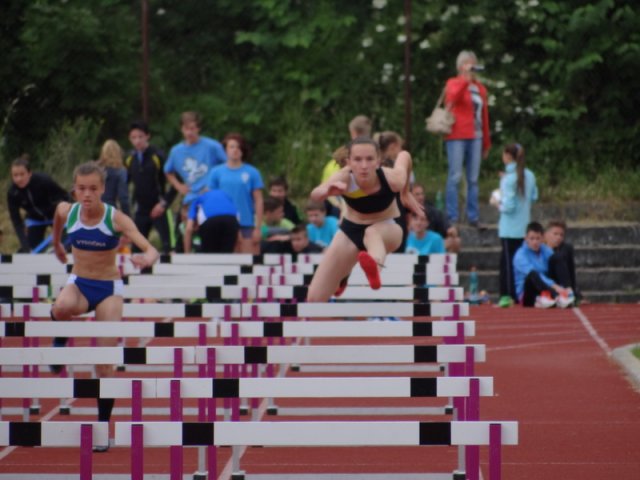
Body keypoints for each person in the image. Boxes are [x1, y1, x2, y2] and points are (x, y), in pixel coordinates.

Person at [50, 161, 159, 451]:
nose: (87, 195)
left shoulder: (115, 218)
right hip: (80, 284)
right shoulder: (67, 210)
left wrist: (147, 258)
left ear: (103, 190)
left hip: (108, 290)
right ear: (75, 190)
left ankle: (102, 427)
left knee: (104, 363)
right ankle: (59, 345)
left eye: (93, 189)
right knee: (61, 306)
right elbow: (58, 220)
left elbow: (150, 248)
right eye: (82, 189)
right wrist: (57, 244)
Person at [306, 137, 423, 302]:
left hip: (388, 228)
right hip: (351, 231)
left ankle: (374, 268)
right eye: (358, 160)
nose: (364, 166)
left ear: (378, 161)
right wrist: (327, 190)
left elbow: (404, 155)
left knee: (372, 232)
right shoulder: (343, 178)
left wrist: (404, 192)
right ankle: (343, 275)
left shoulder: (393, 179)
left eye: (369, 159)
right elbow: (315, 194)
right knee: (314, 299)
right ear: (349, 162)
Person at [444, 50, 491, 228]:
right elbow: (453, 98)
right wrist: (464, 79)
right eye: (468, 64)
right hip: (456, 135)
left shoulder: (480, 88)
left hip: (476, 137)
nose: (472, 69)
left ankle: (473, 216)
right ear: (461, 66)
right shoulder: (453, 83)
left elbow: (484, 115)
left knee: (473, 179)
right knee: (455, 176)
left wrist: (486, 142)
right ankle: (452, 216)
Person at [492, 143, 538, 308]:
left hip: (509, 229)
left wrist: (497, 203)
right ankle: (519, 294)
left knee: (507, 263)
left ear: (507, 156)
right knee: (520, 261)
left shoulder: (509, 179)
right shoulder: (530, 175)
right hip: (524, 226)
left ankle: (507, 295)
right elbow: (534, 196)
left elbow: (509, 207)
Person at [125, 120, 177, 254]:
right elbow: (125, 182)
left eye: (140, 137)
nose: (137, 141)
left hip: (159, 208)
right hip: (141, 209)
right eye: (133, 138)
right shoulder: (130, 158)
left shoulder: (158, 156)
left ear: (147, 136)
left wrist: (164, 203)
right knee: (136, 248)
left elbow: (176, 182)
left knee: (168, 246)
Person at [207, 133, 264, 253]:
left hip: (246, 221)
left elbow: (258, 200)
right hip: (224, 223)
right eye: (231, 147)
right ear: (226, 150)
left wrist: (258, 227)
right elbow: (211, 198)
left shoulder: (252, 172)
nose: (235, 150)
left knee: (249, 260)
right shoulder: (216, 172)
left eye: (238, 147)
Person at [7, 155, 71, 252]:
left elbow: (65, 196)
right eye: (15, 175)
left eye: (22, 174)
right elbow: (16, 221)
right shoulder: (12, 193)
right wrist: (25, 245)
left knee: (68, 243)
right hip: (35, 220)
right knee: (31, 248)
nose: (19, 179)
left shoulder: (43, 180)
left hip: (56, 216)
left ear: (29, 173)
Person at [164, 111, 227, 206]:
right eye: (186, 129)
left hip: (212, 194)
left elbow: (228, 166)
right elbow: (168, 171)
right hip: (192, 196)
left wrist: (216, 184)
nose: (189, 132)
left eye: (192, 129)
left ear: (198, 129)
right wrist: (179, 186)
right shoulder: (176, 151)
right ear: (181, 129)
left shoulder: (212, 146)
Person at [513, 221, 575, 308]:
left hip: (546, 287)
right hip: (528, 293)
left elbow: (557, 264)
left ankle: (568, 292)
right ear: (526, 238)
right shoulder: (520, 255)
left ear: (542, 238)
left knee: (557, 257)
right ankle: (555, 296)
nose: (535, 242)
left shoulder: (544, 249)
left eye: (538, 239)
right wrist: (556, 288)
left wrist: (563, 287)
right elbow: (537, 276)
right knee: (533, 274)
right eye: (532, 239)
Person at [321, 115, 372, 218]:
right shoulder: (375, 152)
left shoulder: (345, 155)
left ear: (353, 133)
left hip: (344, 201)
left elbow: (326, 190)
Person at [183, 189, 239, 253]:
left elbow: (188, 229)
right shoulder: (226, 195)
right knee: (226, 254)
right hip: (231, 221)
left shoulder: (197, 199)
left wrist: (187, 255)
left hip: (210, 222)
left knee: (209, 255)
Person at [412, 183, 461, 253]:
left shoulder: (432, 211)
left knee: (456, 241)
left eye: (422, 194)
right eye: (417, 194)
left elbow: (448, 227)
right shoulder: (402, 211)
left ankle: (447, 263)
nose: (421, 197)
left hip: (430, 245)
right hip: (408, 245)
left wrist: (452, 230)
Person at [544, 220, 580, 301]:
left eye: (561, 235)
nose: (558, 237)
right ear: (546, 235)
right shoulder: (540, 249)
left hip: (559, 283)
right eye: (555, 234)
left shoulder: (564, 249)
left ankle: (571, 292)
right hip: (545, 282)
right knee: (557, 258)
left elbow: (571, 271)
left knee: (562, 254)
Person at [97, 139, 130, 216]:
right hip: (110, 208)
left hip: (94, 206)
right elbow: (123, 197)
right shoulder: (120, 171)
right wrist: (127, 216)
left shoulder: (94, 169)